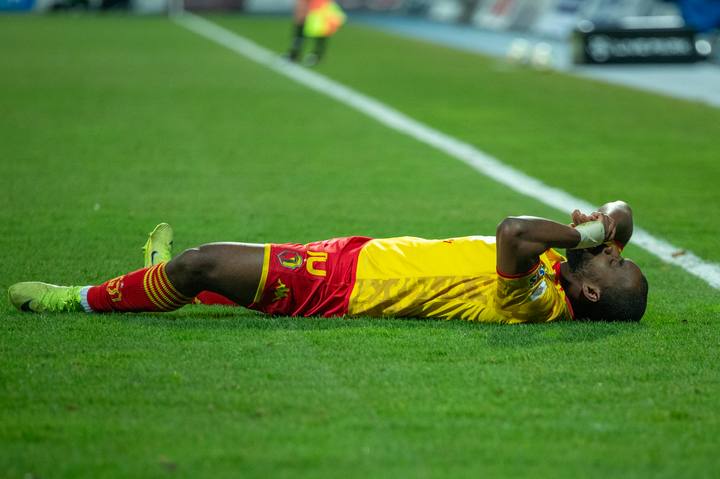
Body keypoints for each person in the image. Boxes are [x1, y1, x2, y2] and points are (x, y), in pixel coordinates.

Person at [8, 200, 648, 323]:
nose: (611, 254)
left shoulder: (538, 303)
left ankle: (76, 298)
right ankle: (154, 280)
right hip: (357, 256)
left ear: (591, 294)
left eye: (615, 265)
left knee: (202, 264)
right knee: (227, 276)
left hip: (339, 289)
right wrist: (606, 230)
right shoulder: (564, 272)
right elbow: (622, 214)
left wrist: (582, 234)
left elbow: (512, 231)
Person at [286, 0, 346, 66]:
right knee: (302, 28)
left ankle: (316, 55)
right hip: (313, 10)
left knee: (320, 31)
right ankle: (295, 53)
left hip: (319, 10)